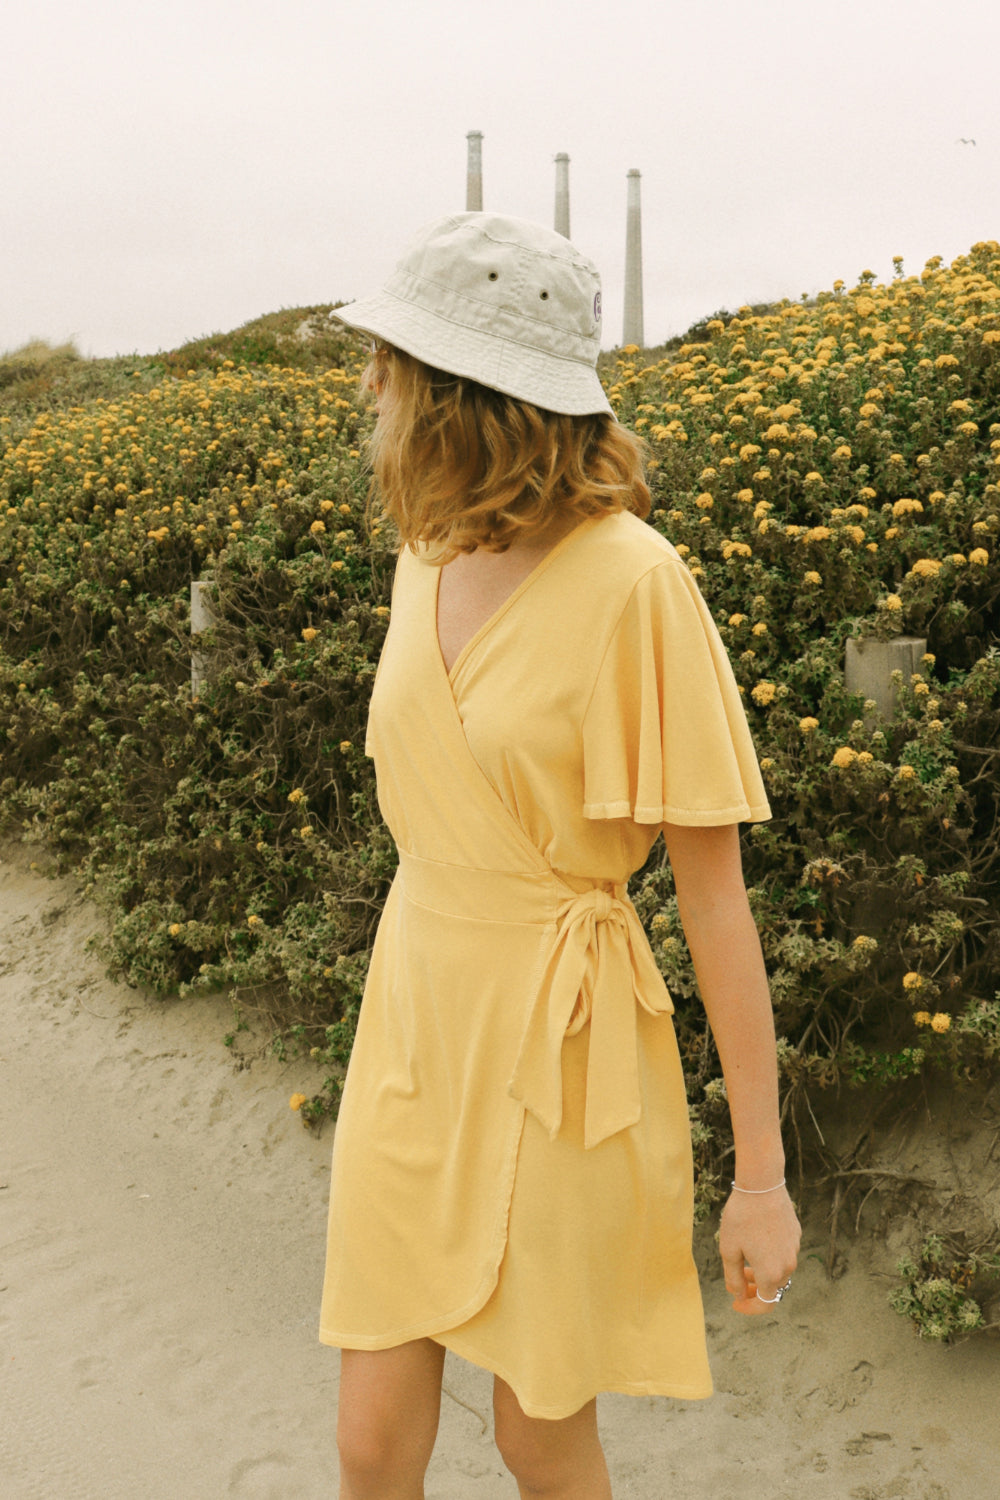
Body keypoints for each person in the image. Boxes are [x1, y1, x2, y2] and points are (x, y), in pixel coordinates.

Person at [319, 212, 801, 1500]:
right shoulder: (425, 551)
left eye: (396, 366)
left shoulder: (637, 582)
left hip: (562, 1038)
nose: (373, 387)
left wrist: (761, 1180)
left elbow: (716, 904)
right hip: (416, 1017)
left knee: (536, 1435)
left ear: (464, 397)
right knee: (370, 1440)